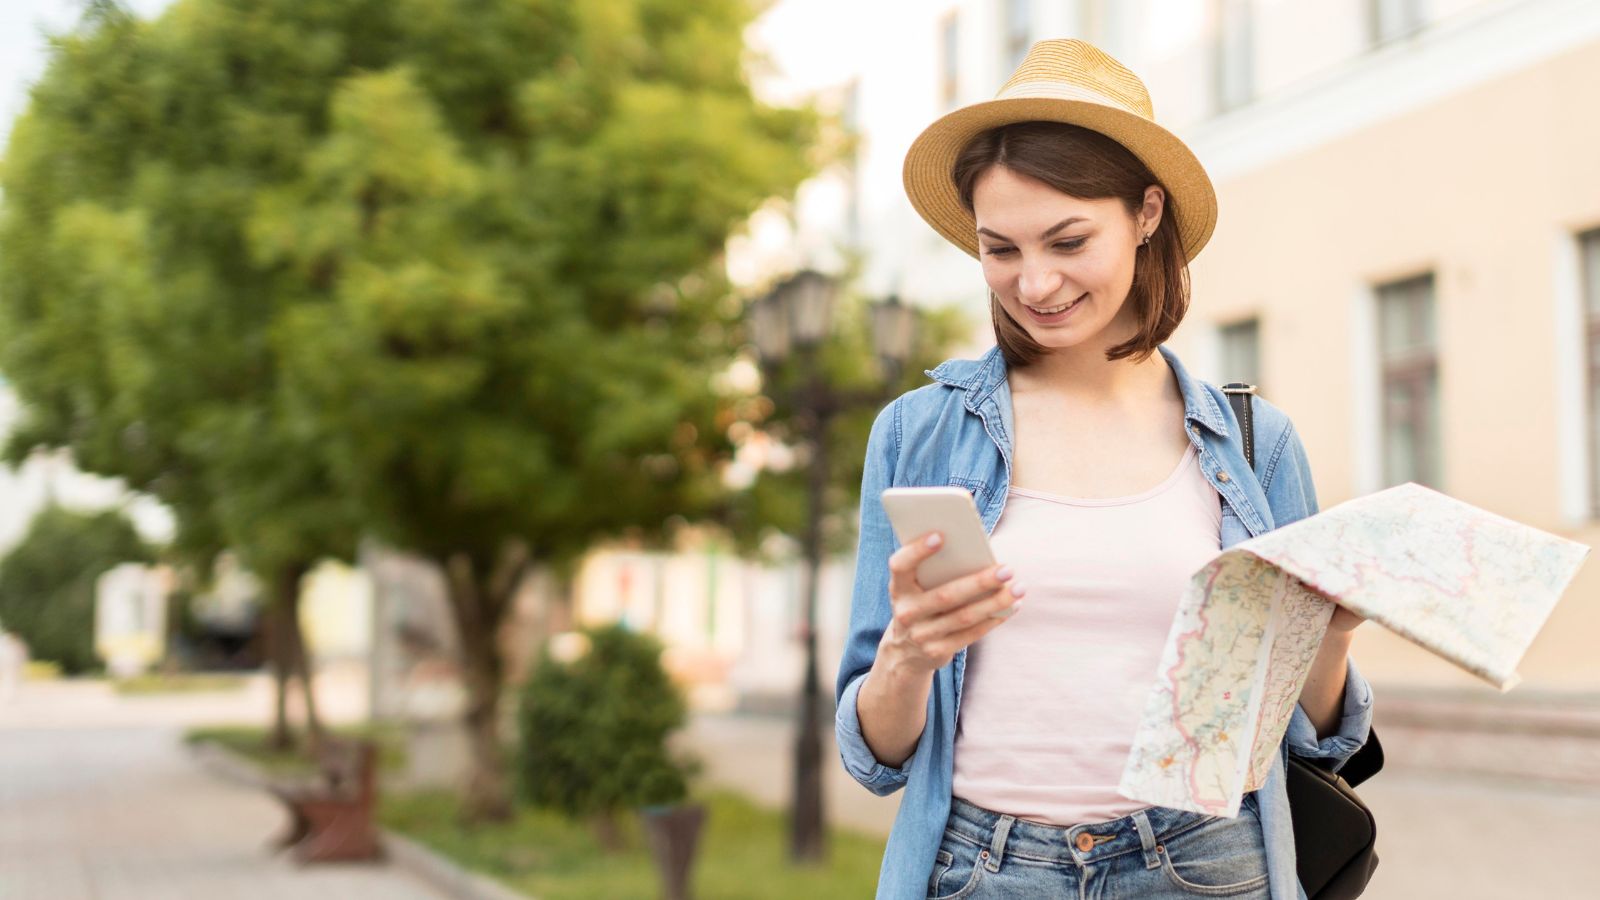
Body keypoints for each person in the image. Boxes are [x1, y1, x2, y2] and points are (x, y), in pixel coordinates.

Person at [834, 39, 1375, 900]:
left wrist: (1334, 633)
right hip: (981, 871)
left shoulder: (1253, 443)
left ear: (1147, 213)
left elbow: (1313, 739)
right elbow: (874, 759)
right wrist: (905, 657)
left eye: (1067, 239)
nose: (1034, 281)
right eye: (1000, 249)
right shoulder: (920, 433)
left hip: (1202, 863)